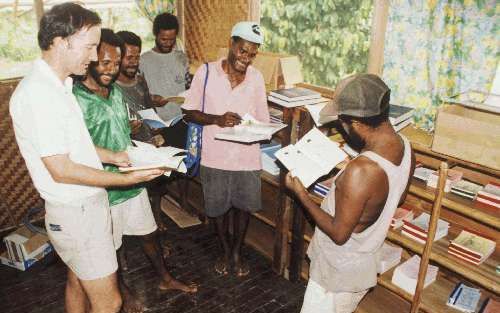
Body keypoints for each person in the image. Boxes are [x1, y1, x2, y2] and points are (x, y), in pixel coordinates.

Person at [9, 4, 164, 313]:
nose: (94, 57)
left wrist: (116, 156)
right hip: (77, 213)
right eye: (90, 46)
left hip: (79, 209)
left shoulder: (61, 85)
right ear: (61, 41)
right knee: (110, 301)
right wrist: (126, 179)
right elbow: (61, 168)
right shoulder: (40, 95)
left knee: (78, 281)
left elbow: (73, 148)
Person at [73, 28, 197, 313]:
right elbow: (77, 148)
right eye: (104, 63)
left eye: (115, 64)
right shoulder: (76, 100)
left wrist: (136, 137)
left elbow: (119, 131)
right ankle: (122, 291)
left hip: (131, 179)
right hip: (102, 188)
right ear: (90, 59)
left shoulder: (116, 92)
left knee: (149, 232)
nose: (111, 70)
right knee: (111, 248)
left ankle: (166, 278)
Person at [285, 74, 416, 313]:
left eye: (341, 125)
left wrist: (301, 193)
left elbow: (339, 234)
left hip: (336, 275)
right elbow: (399, 197)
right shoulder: (405, 145)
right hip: (361, 264)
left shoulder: (362, 171)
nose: (342, 130)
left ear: (355, 123)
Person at [182, 21, 269, 276]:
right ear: (231, 44)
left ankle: (237, 252)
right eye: (243, 51)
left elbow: (263, 119)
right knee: (218, 208)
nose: (247, 59)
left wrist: (257, 128)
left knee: (243, 207)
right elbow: (188, 113)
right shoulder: (206, 72)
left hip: (247, 157)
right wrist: (216, 119)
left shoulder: (256, 78)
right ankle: (223, 249)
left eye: (253, 54)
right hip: (215, 156)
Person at [139, 12, 188, 148]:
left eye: (172, 39)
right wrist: (150, 98)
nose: (168, 43)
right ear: (155, 35)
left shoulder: (182, 58)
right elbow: (137, 92)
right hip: (156, 126)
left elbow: (189, 87)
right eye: (163, 39)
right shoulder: (143, 60)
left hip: (181, 122)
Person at [115, 30, 164, 147]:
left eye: (137, 57)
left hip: (148, 149)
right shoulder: (109, 87)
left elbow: (151, 115)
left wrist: (156, 129)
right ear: (117, 57)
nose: (134, 62)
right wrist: (126, 131)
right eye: (129, 57)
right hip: (126, 153)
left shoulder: (141, 81)